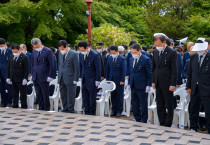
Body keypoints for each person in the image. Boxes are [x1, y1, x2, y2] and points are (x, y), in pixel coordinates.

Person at [152, 34, 177, 127]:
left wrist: (173, 84)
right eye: (156, 45)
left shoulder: (171, 52)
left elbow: (174, 70)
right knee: (160, 104)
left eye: (159, 45)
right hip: (158, 82)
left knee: (169, 104)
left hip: (168, 83)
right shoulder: (155, 52)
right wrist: (153, 81)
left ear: (164, 42)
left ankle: (168, 123)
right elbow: (154, 68)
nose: (157, 47)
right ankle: (162, 122)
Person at [186, 37, 210, 134]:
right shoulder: (193, 57)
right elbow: (190, 73)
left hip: (207, 88)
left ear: (206, 48)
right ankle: (193, 127)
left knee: (208, 110)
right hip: (194, 87)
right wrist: (188, 86)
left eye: (201, 50)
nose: (199, 52)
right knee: (193, 108)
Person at [128, 43, 152, 123]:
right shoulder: (131, 59)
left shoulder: (146, 59)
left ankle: (144, 119)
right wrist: (129, 83)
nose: (133, 54)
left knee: (143, 103)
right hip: (133, 84)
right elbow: (131, 72)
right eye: (131, 52)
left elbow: (149, 73)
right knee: (134, 103)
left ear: (139, 51)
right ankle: (137, 117)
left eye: (134, 52)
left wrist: (148, 85)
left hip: (142, 85)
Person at [78, 41, 101, 115]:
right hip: (84, 79)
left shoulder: (95, 55)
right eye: (80, 50)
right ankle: (86, 110)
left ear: (87, 48)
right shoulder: (81, 55)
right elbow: (81, 66)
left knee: (92, 97)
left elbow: (98, 69)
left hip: (92, 79)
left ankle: (91, 112)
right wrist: (80, 77)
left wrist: (97, 80)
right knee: (85, 96)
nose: (81, 52)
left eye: (83, 50)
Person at [31, 38, 54, 111]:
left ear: (41, 44)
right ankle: (40, 107)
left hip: (44, 76)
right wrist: (32, 74)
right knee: (38, 94)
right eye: (34, 47)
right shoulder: (34, 52)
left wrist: (50, 75)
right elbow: (33, 63)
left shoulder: (48, 51)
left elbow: (51, 64)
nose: (36, 48)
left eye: (37, 46)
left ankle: (46, 108)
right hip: (35, 76)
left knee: (45, 93)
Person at [57, 40, 79, 113]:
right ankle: (65, 108)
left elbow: (77, 67)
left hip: (70, 78)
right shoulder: (60, 54)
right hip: (61, 77)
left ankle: (70, 109)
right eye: (60, 49)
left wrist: (76, 78)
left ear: (67, 46)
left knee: (70, 95)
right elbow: (60, 65)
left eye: (62, 49)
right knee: (63, 95)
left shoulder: (74, 54)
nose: (61, 51)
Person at [6, 44, 29, 108]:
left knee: (23, 94)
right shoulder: (11, 56)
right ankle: (15, 105)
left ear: (19, 50)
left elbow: (26, 69)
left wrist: (25, 78)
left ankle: (24, 106)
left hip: (21, 78)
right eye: (13, 51)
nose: (14, 53)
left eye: (15, 52)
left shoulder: (24, 57)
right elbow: (9, 67)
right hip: (13, 78)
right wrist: (8, 77)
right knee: (14, 93)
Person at [106, 45, 126, 117]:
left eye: (113, 52)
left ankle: (119, 110)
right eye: (111, 52)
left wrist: (122, 80)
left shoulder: (122, 58)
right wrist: (107, 79)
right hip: (111, 79)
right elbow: (107, 69)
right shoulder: (109, 57)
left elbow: (123, 70)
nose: (112, 54)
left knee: (119, 95)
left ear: (116, 51)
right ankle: (113, 110)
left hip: (119, 80)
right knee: (113, 95)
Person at [0, 38, 13, 107]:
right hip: (0, 73)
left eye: (1, 45)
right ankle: (3, 101)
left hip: (8, 73)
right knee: (1, 88)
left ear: (5, 44)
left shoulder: (10, 51)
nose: (1, 47)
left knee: (9, 88)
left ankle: (9, 102)